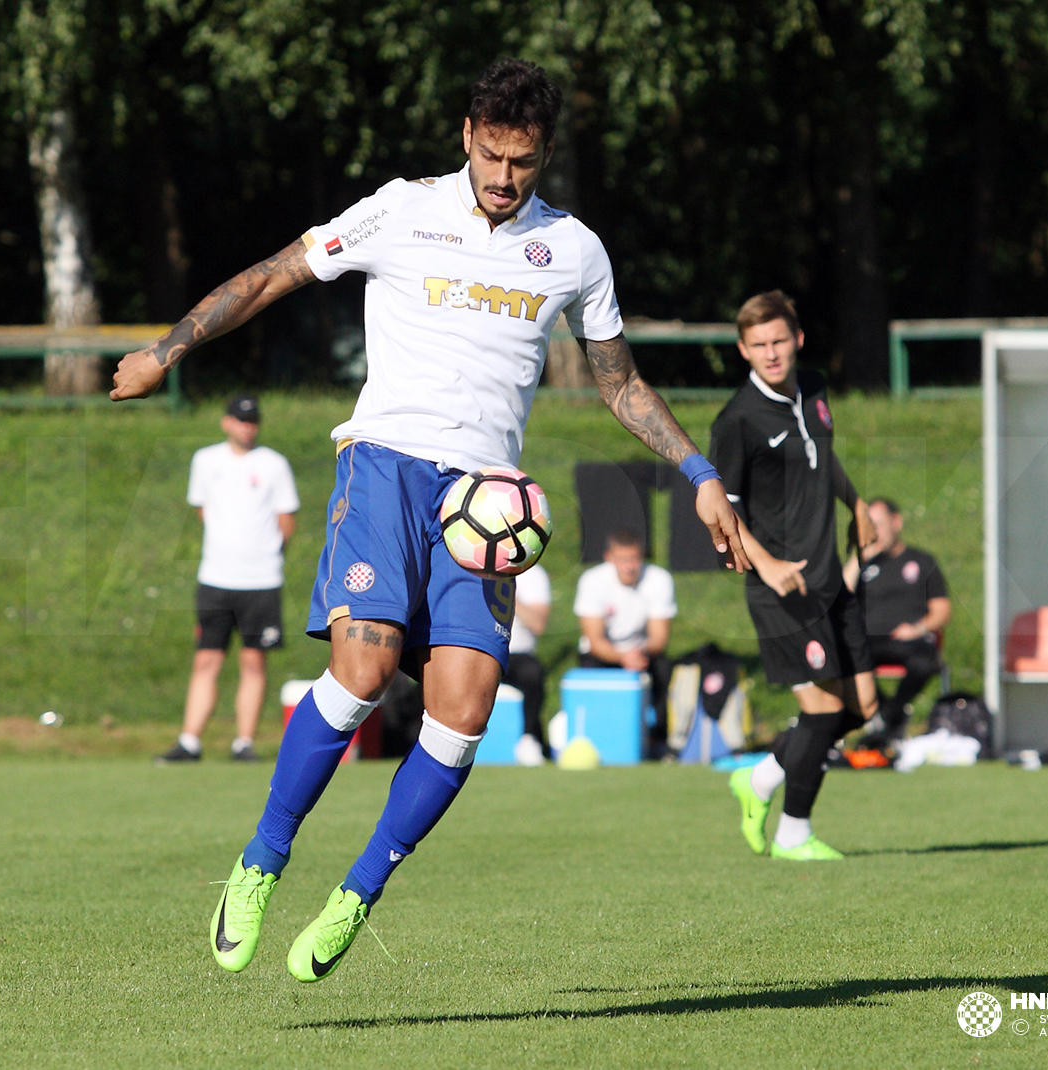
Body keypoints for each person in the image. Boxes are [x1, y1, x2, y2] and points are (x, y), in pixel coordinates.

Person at [111, 57, 759, 983]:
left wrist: (697, 471)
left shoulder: (573, 248)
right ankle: (260, 861)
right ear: (466, 136)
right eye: (492, 155)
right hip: (386, 463)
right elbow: (275, 275)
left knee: (464, 714)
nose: (503, 178)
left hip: (488, 502)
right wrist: (170, 347)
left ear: (543, 157)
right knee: (365, 665)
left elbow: (617, 379)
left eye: (523, 162)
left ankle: (357, 894)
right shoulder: (400, 208)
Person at [711, 290, 879, 862]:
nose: (772, 353)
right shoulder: (735, 420)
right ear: (743, 350)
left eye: (779, 340)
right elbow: (723, 511)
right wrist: (769, 563)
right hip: (781, 589)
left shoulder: (813, 386)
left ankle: (757, 779)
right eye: (759, 345)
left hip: (832, 578)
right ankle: (793, 833)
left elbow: (821, 454)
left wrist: (855, 503)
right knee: (823, 710)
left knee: (862, 708)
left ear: (797, 338)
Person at [155, 395, 300, 764]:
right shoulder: (205, 460)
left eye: (252, 421)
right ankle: (190, 741)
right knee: (206, 661)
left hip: (261, 580)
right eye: (239, 420)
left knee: (254, 662)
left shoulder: (274, 465)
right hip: (216, 578)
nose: (246, 427)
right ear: (226, 422)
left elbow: (287, 520)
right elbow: (204, 510)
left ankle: (244, 742)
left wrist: (263, 555)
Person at [843, 497, 951, 744]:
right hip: (869, 640)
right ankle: (889, 717)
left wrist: (918, 628)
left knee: (925, 662)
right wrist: (858, 558)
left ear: (896, 522)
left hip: (910, 638)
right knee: (845, 660)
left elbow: (942, 610)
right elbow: (839, 598)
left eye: (878, 524)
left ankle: (889, 715)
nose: (874, 532)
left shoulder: (922, 562)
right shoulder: (863, 564)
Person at [574, 529, 677, 747]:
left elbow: (659, 638)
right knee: (590, 670)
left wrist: (638, 653)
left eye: (634, 559)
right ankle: (595, 737)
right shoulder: (592, 581)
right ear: (609, 558)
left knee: (663, 669)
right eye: (622, 560)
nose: (629, 566)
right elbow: (594, 639)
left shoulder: (659, 580)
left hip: (641, 651)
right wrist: (622, 658)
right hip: (601, 653)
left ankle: (659, 740)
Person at [503, 562, 552, 762]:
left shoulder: (533, 574)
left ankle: (529, 737)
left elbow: (538, 624)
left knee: (532, 674)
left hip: (517, 655)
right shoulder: (469, 568)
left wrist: (505, 592)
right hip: (479, 649)